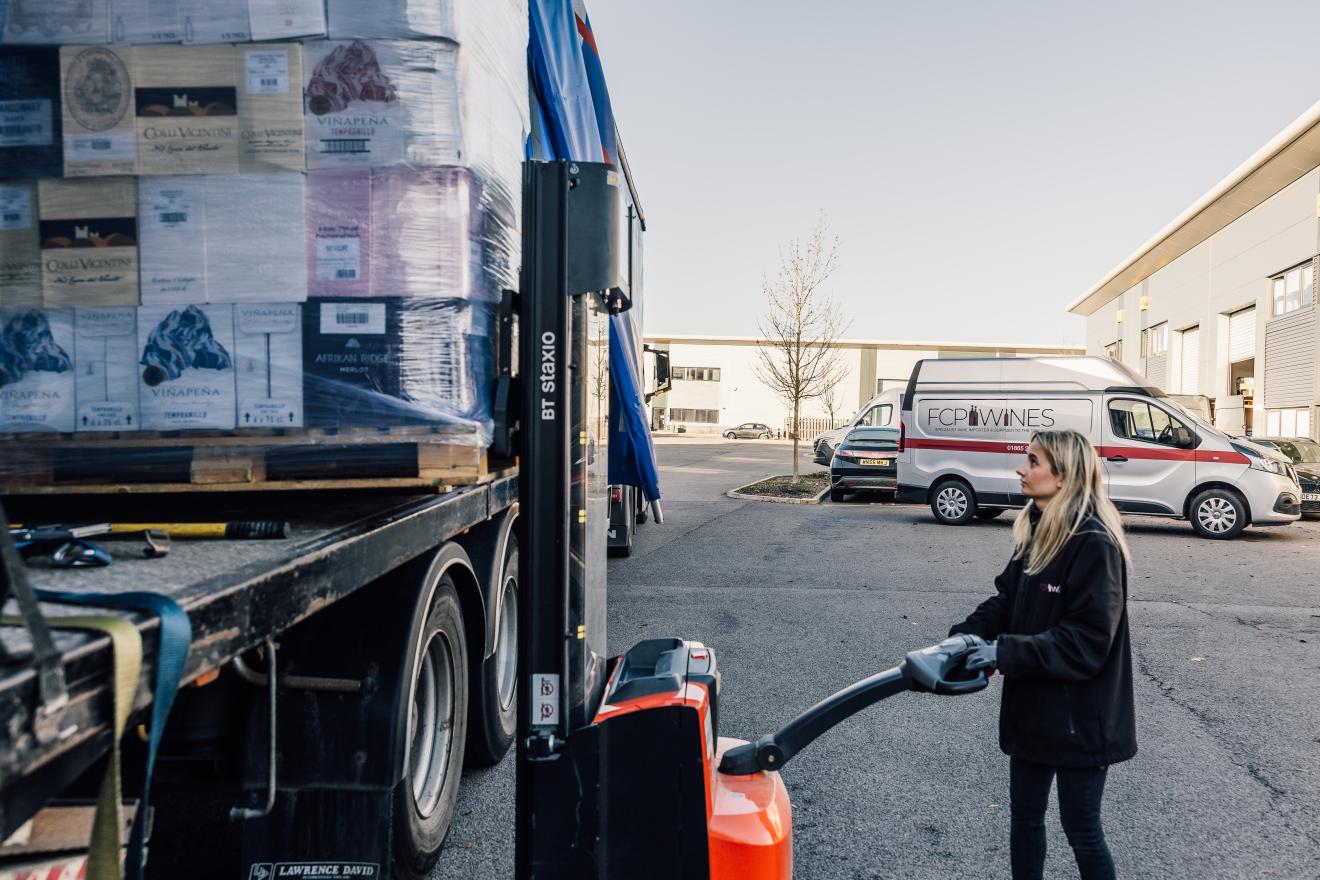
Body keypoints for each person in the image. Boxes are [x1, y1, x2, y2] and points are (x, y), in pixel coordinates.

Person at [950, 429, 1136, 880]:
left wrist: (1002, 652)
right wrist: (965, 637)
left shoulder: (1094, 543)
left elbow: (1087, 642)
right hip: (1034, 710)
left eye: (1033, 461)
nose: (1021, 469)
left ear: (1064, 475)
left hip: (1081, 718)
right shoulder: (1037, 527)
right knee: (1026, 820)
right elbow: (1006, 600)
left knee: (1082, 828)